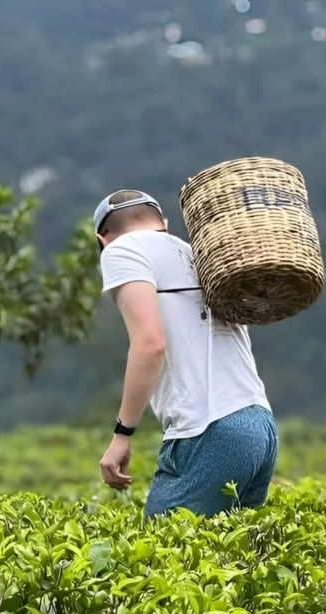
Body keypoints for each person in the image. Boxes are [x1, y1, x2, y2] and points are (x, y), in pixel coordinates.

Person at [95, 190, 278, 519]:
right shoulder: (200, 256)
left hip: (209, 428)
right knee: (231, 561)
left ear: (102, 239)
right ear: (163, 224)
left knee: (162, 555)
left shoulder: (121, 250)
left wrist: (122, 435)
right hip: (260, 425)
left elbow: (151, 344)